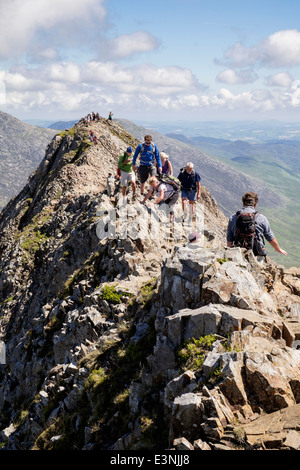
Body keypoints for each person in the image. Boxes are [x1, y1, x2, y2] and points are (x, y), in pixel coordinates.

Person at [227, 191, 287, 259]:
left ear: (243, 203)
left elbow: (230, 240)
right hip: (256, 253)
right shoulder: (261, 218)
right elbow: (269, 236)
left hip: (238, 253)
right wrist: (278, 248)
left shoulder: (233, 218)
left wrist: (229, 256)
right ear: (255, 204)